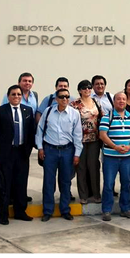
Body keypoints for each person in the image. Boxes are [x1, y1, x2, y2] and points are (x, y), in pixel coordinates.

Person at [0, 85, 36, 225]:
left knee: (21, 183)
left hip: (21, 153)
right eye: (13, 94)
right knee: (5, 184)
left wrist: (29, 149)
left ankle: (20, 211)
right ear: (8, 96)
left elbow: (31, 132)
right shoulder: (0, 111)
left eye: (19, 94)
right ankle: (3, 214)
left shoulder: (28, 110)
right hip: (5, 154)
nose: (16, 97)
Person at [36, 88, 83, 222]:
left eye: (67, 97)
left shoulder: (74, 114)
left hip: (67, 151)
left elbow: (78, 135)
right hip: (49, 150)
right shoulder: (48, 111)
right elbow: (40, 130)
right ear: (56, 99)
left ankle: (65, 210)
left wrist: (77, 154)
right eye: (62, 97)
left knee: (65, 182)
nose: (65, 99)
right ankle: (48, 211)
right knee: (48, 182)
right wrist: (40, 148)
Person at [99, 92, 130, 221]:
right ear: (114, 101)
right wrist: (115, 147)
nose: (121, 101)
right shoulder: (107, 116)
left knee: (126, 183)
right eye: (118, 99)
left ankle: (125, 208)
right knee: (109, 184)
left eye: (123, 99)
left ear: (126, 101)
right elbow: (102, 135)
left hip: (127, 157)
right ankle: (106, 210)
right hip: (110, 157)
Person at [70, 80, 102, 204]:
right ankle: (83, 195)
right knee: (81, 167)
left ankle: (96, 194)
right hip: (80, 140)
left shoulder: (96, 102)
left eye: (89, 87)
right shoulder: (74, 104)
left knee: (93, 167)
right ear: (79, 90)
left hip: (94, 140)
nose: (87, 90)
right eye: (84, 88)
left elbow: (100, 118)